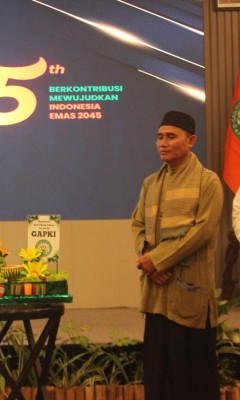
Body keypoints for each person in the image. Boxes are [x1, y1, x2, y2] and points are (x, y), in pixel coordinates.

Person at [131, 111, 223, 400]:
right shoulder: (150, 183)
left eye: (171, 136)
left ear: (191, 140)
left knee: (193, 380)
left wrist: (158, 261)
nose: (163, 143)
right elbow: (137, 224)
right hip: (156, 295)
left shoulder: (207, 182)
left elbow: (203, 231)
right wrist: (148, 258)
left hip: (190, 296)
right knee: (158, 377)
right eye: (160, 137)